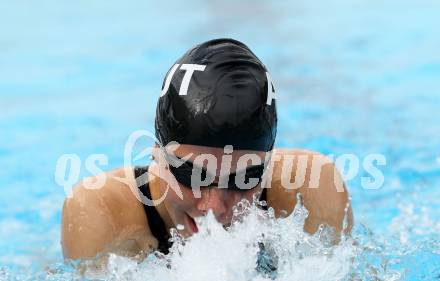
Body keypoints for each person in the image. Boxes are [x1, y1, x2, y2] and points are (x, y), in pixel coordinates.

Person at [61, 38, 353, 261]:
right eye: (191, 174)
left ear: (268, 164)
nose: (215, 208)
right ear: (156, 151)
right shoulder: (102, 211)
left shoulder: (310, 189)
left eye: (243, 179)